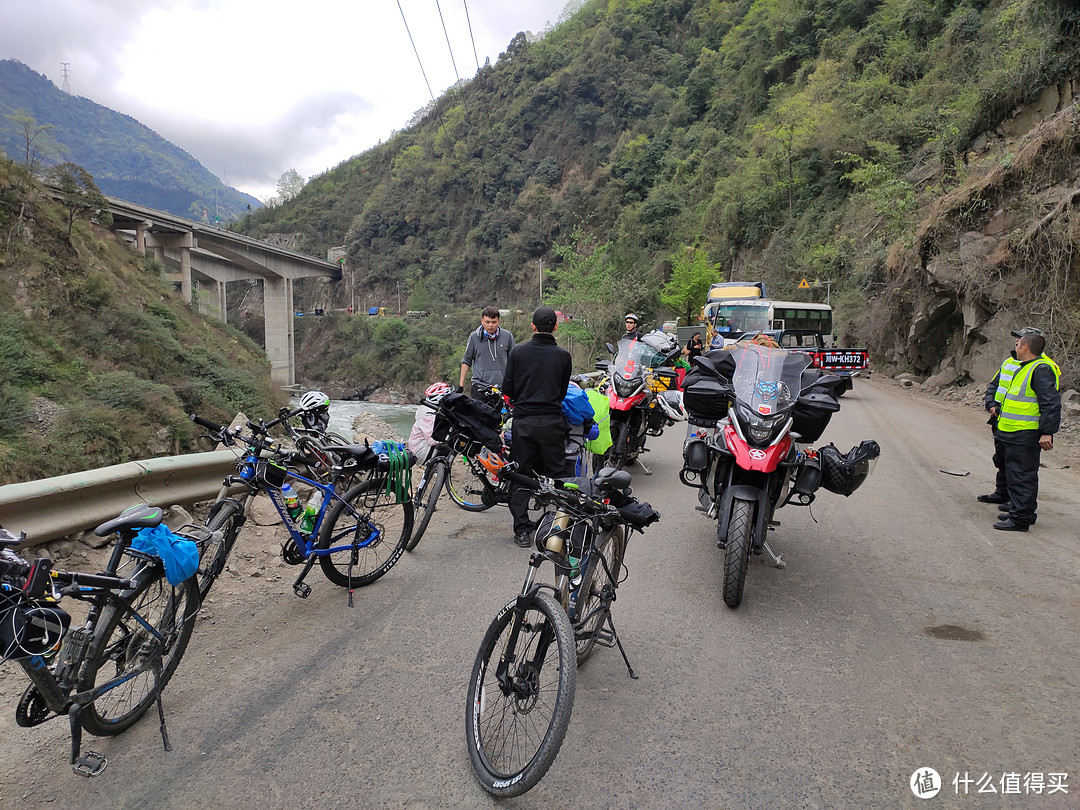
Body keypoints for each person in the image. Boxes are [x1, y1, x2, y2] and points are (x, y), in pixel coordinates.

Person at [501, 306, 573, 548]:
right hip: (552, 422)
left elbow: (507, 389)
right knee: (559, 476)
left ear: (532, 326)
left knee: (521, 475)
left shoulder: (518, 353)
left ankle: (522, 531)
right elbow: (562, 392)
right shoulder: (563, 356)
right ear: (555, 326)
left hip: (524, 423)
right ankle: (560, 530)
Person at [981, 329, 1061, 532]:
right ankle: (1021, 512)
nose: (1015, 346)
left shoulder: (1040, 369)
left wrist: (1047, 432)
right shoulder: (1024, 367)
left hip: (1025, 432)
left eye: (1018, 344)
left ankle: (1020, 519)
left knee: (1022, 476)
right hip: (1011, 430)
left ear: (1025, 346)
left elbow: (1050, 403)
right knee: (1015, 473)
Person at [459, 306, 514, 400]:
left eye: (494, 322)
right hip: (480, 388)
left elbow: (513, 361)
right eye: (487, 322)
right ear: (482, 321)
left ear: (498, 321)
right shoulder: (474, 337)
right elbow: (467, 360)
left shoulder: (507, 336)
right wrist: (461, 385)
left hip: (502, 389)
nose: (490, 325)